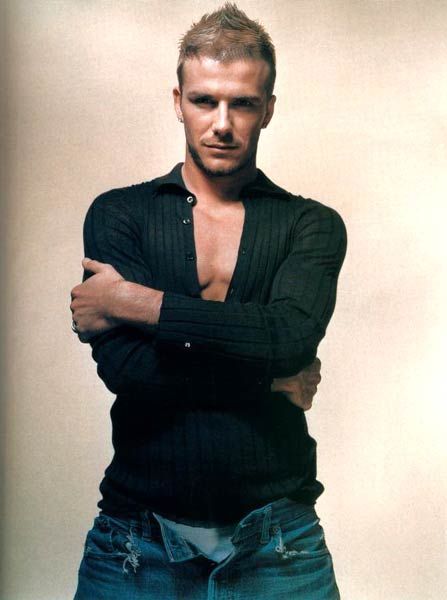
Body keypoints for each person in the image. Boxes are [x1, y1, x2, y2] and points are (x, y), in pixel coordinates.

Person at [70, 4, 347, 599]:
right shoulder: (120, 214)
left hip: (280, 543)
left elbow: (288, 337)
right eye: (204, 101)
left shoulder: (311, 224)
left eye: (242, 103)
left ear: (268, 109)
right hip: (135, 543)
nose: (222, 124)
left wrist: (136, 303)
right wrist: (270, 381)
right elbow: (128, 371)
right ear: (179, 102)